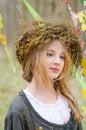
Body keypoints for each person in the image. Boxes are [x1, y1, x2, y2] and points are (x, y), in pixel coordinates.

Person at [4, 21, 83, 130]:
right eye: (50, 54)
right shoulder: (19, 109)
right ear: (33, 58)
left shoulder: (68, 103)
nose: (57, 61)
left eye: (62, 57)